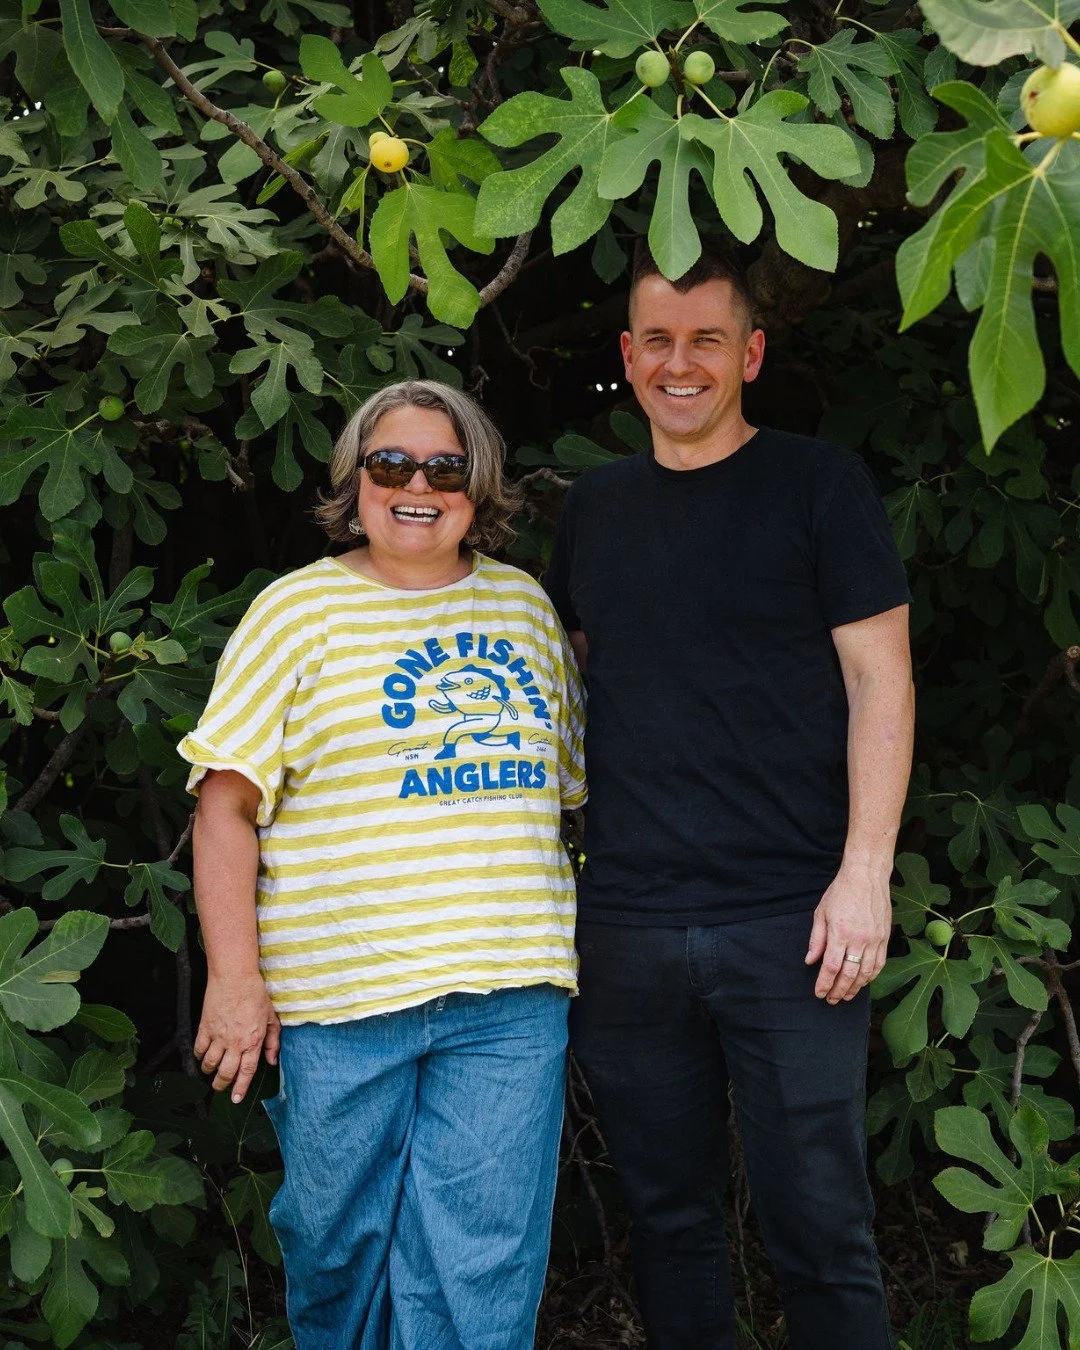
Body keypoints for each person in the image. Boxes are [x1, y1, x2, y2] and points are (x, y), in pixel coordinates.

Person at [543, 246, 913, 1350]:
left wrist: (865, 874)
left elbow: (880, 680)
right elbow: (561, 701)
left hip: (793, 924)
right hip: (629, 927)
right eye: (657, 339)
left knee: (822, 1227)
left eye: (707, 339)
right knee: (669, 1224)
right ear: (627, 356)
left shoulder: (817, 485)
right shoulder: (595, 511)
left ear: (750, 353)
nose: (681, 363)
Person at [178, 379, 586, 1350]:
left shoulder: (526, 611)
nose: (416, 485)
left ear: (477, 488)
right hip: (339, 1004)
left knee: (483, 1268)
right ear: (355, 480)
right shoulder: (295, 612)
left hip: (509, 1001)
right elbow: (224, 806)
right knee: (334, 1251)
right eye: (389, 463)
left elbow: (569, 801)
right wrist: (237, 979)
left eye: (444, 468)